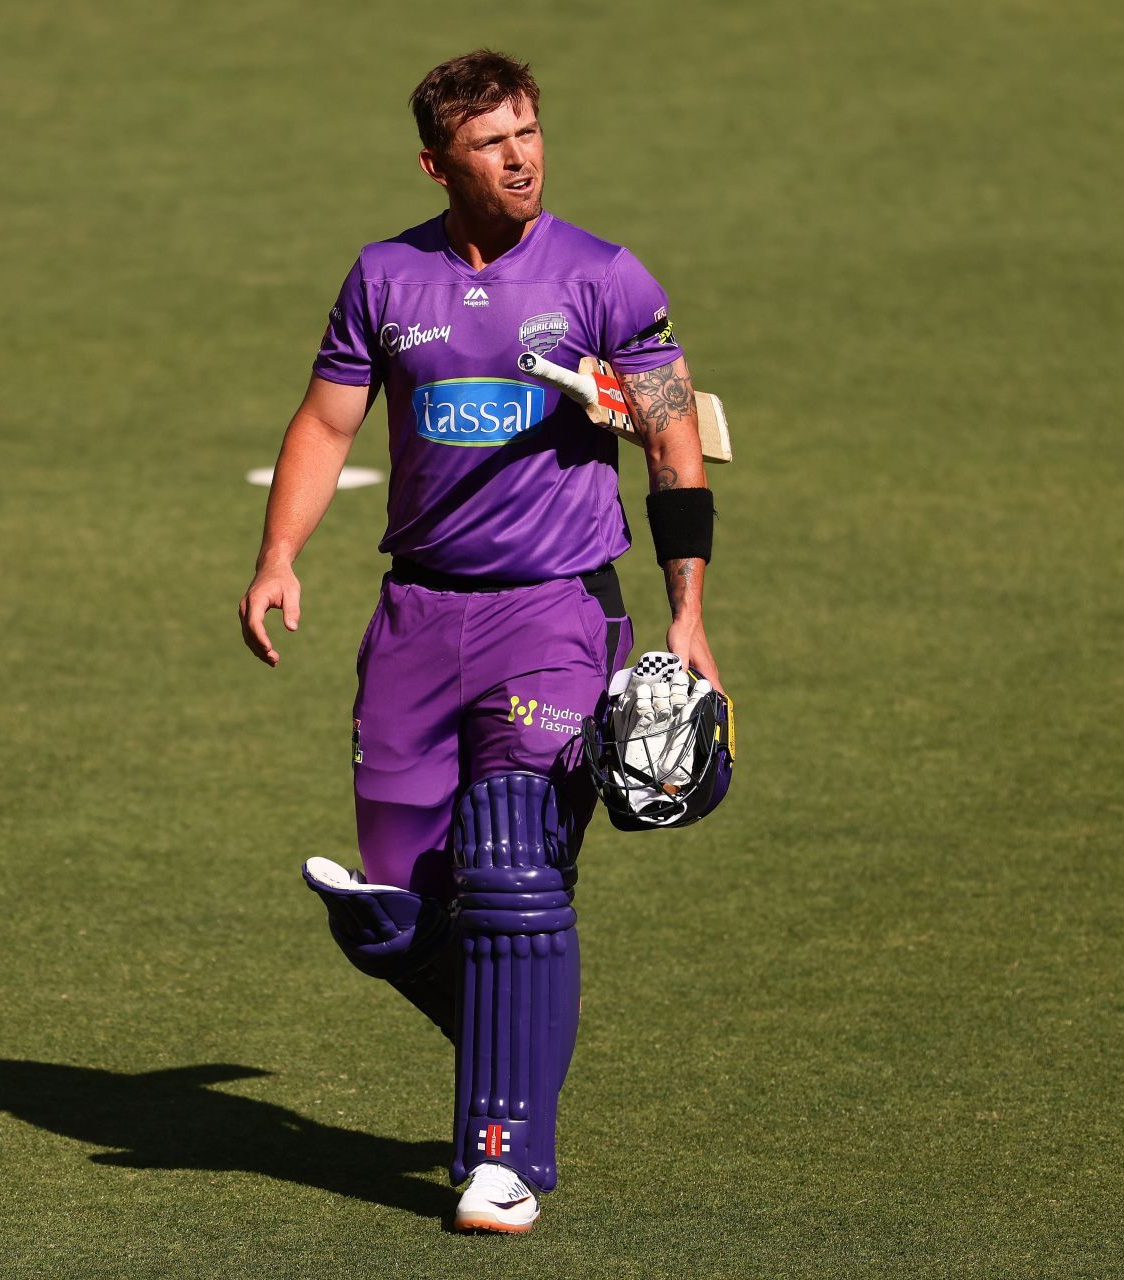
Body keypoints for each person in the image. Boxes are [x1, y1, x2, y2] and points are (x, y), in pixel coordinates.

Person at [238, 49, 725, 1234]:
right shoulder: (383, 277)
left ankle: (502, 1158)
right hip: (414, 620)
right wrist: (277, 556)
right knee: (401, 912)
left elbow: (673, 447)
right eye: (492, 143)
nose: (522, 158)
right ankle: (514, 1009)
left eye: (530, 133)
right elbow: (321, 422)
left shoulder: (606, 278)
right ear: (436, 162)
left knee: (514, 870)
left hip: (553, 612)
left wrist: (688, 617)